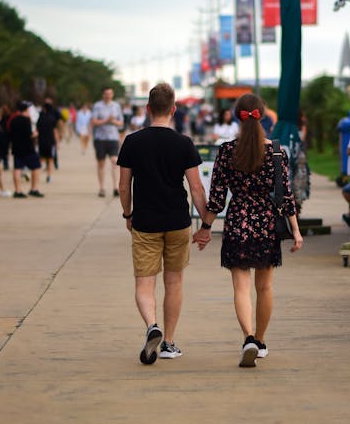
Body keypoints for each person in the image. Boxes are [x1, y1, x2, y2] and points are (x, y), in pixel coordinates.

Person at [193, 92, 303, 368]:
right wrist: (296, 231)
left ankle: (248, 338)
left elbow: (217, 198)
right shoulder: (277, 152)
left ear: (236, 116)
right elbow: (287, 196)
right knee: (265, 287)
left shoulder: (227, 151)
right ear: (262, 115)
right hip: (266, 225)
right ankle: (261, 341)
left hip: (238, 223)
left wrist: (205, 228)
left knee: (240, 288)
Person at [117, 82, 208, 365]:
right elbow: (196, 188)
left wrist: (128, 214)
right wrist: (205, 225)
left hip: (145, 221)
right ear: (173, 109)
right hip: (178, 221)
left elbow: (123, 186)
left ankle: (151, 325)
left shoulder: (132, 142)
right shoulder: (184, 143)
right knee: (174, 282)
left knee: (145, 283)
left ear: (147, 109)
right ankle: (168, 342)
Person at [91, 87, 124, 197]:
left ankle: (115, 187)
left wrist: (113, 121)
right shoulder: (97, 106)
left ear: (112, 94)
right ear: (103, 95)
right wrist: (106, 120)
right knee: (101, 163)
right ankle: (101, 188)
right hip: (100, 138)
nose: (108, 95)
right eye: (106, 94)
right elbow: (94, 121)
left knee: (115, 161)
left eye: (110, 93)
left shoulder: (116, 106)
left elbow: (121, 123)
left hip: (113, 138)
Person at [9, 101, 44, 198]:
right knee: (36, 167)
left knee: (17, 169)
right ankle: (34, 188)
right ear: (26, 110)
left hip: (16, 148)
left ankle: (18, 190)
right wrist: (36, 134)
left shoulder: (13, 120)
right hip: (28, 148)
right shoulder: (26, 120)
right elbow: (29, 134)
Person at [37, 102, 59, 183]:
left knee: (40, 159)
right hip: (51, 142)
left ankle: (37, 174)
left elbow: (37, 130)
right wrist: (57, 142)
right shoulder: (52, 119)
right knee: (50, 160)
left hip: (41, 141)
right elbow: (55, 131)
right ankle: (49, 176)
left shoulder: (40, 119)